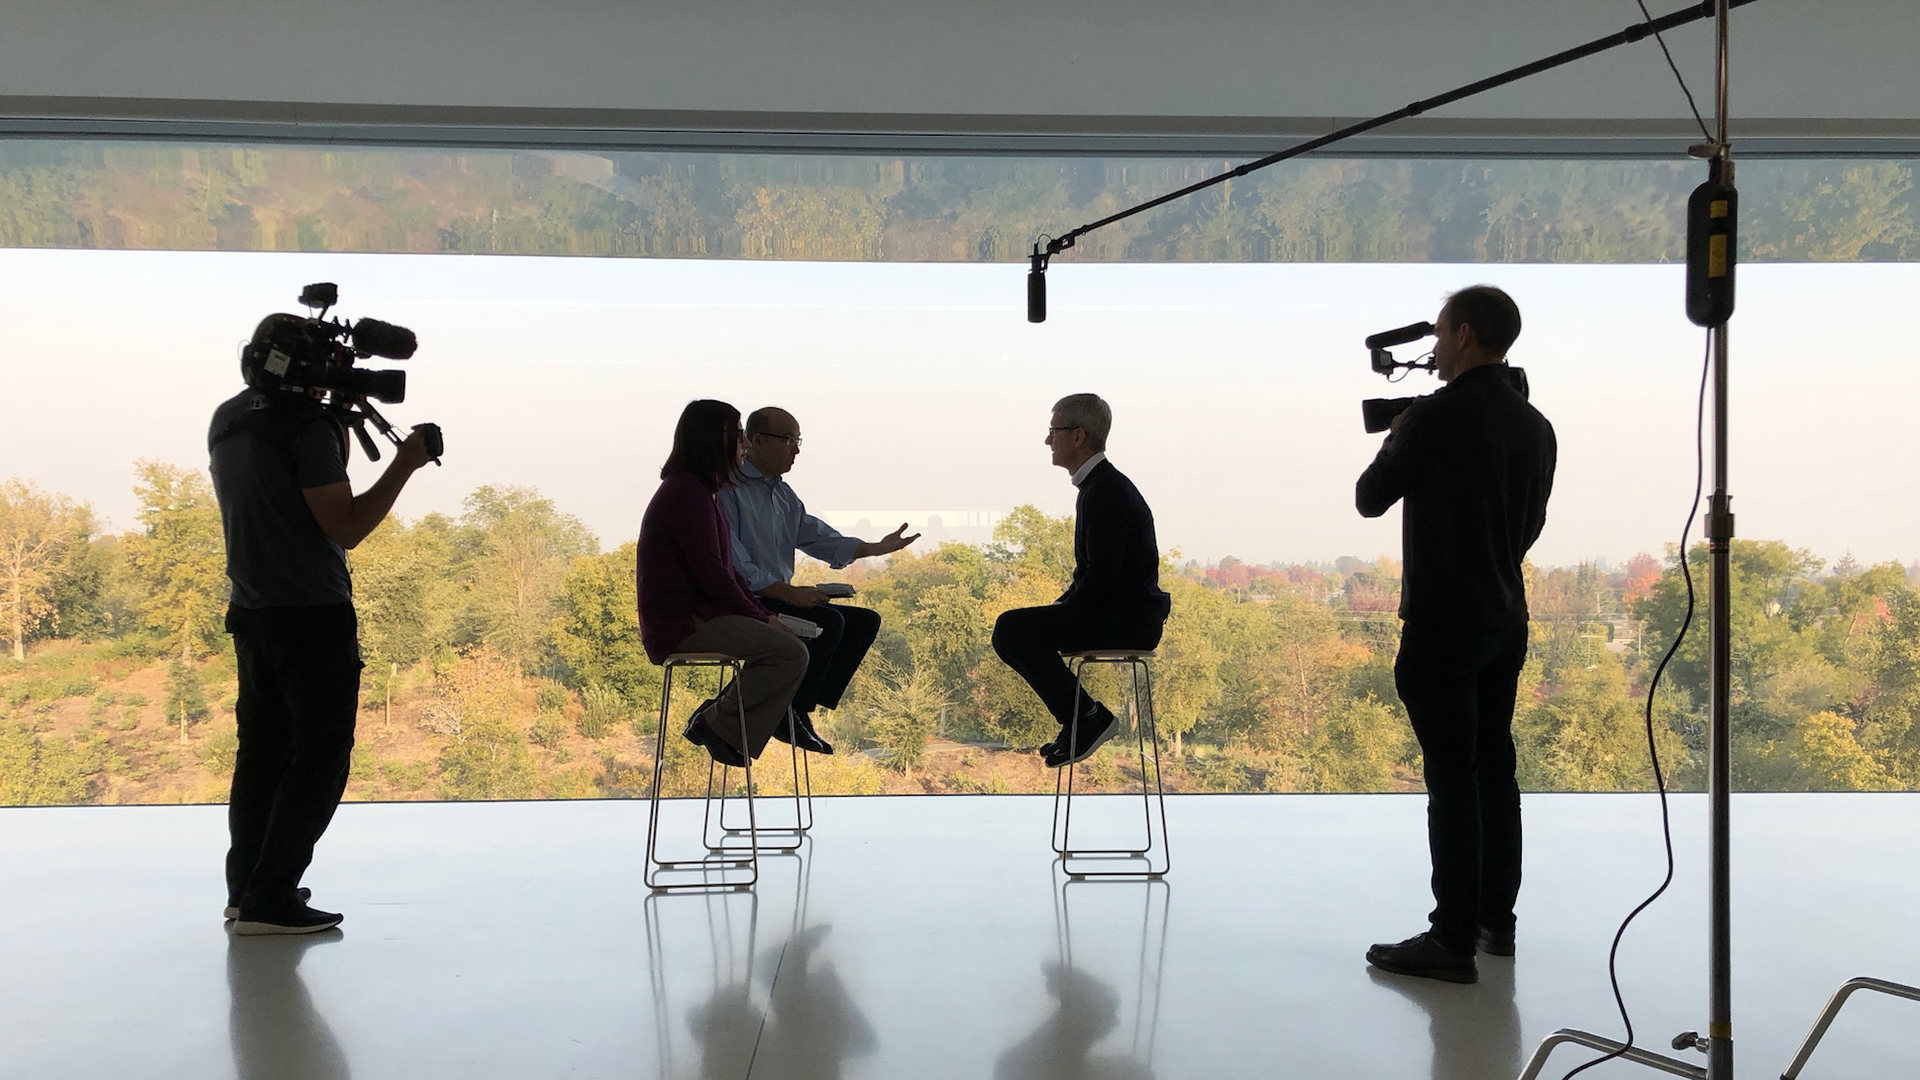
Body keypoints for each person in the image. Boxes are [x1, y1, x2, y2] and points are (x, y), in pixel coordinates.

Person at [1355, 285, 1557, 984]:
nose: (1435, 349)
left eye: (1440, 335)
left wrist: (1403, 430)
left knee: (1451, 780)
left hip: (1442, 623)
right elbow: (1530, 525)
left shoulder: (1433, 418)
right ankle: (1496, 922)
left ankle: (1450, 940)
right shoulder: (1536, 426)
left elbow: (1369, 497)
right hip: (1505, 618)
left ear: (1466, 334)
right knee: (1495, 770)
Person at [210, 313, 435, 935]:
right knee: (320, 758)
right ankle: (273, 897)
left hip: (252, 612)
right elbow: (347, 526)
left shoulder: (228, 419)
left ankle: (246, 891)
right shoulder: (308, 428)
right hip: (312, 614)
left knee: (261, 755)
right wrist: (406, 462)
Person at [717, 406, 919, 754]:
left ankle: (792, 706)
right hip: (749, 601)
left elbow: (818, 537)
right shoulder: (728, 490)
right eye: (788, 440)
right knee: (829, 624)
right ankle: (788, 712)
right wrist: (788, 593)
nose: (796, 449)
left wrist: (874, 548)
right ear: (757, 440)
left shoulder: (783, 495)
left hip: (777, 596)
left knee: (864, 623)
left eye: (799, 441)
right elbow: (735, 565)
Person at [991, 393, 1171, 769]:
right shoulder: (1101, 486)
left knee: (1011, 630)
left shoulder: (1105, 492)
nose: (1047, 440)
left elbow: (1101, 580)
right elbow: (1094, 576)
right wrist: (1061, 608)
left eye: (1053, 431)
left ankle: (1087, 719)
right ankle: (1081, 719)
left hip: (1125, 619)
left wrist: (1060, 612)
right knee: (1018, 628)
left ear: (1077, 436)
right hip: (1122, 613)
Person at [636, 399, 809, 767]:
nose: (744, 445)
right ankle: (717, 724)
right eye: (739, 436)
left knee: (795, 643)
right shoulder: (687, 494)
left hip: (700, 615)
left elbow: (727, 573)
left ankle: (721, 723)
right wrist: (763, 618)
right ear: (714, 440)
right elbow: (713, 575)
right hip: (681, 624)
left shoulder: (702, 492)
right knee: (789, 652)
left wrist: (762, 614)